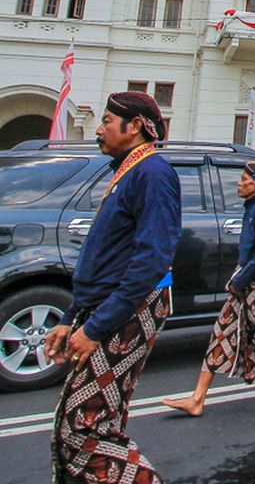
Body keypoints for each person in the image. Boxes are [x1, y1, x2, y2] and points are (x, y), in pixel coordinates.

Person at [46, 92, 181, 484]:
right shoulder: (126, 170)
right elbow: (104, 259)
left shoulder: (154, 173)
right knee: (82, 421)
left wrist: (96, 327)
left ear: (135, 125)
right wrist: (72, 318)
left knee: (84, 429)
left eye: (107, 120)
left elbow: (150, 260)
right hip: (105, 308)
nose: (99, 129)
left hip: (130, 310)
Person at [164, 160, 255, 415]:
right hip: (248, 273)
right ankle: (198, 398)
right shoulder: (253, 208)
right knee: (223, 330)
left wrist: (241, 279)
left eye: (245, 179)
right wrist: (240, 276)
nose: (239, 182)